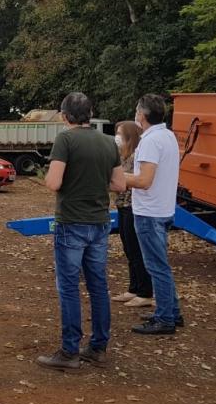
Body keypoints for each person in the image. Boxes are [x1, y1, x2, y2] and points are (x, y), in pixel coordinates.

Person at [36, 92, 125, 372]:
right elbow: (120, 184)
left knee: (69, 287)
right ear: (90, 113)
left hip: (71, 222)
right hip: (100, 223)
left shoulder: (66, 139)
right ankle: (98, 347)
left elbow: (53, 182)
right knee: (98, 286)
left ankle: (69, 350)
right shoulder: (108, 141)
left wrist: (59, 177)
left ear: (64, 116)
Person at [126, 94, 183, 335]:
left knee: (157, 266)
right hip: (163, 208)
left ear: (142, 115)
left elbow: (144, 180)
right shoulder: (168, 136)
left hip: (149, 212)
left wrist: (116, 179)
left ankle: (165, 319)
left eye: (137, 112)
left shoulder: (150, 141)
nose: (136, 116)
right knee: (161, 265)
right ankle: (172, 311)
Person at [110, 121, 154, 309]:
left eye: (120, 133)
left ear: (130, 136)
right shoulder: (121, 155)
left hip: (133, 206)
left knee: (136, 250)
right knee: (128, 249)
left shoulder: (137, 156)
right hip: (122, 205)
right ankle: (133, 288)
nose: (117, 137)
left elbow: (131, 180)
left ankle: (145, 292)